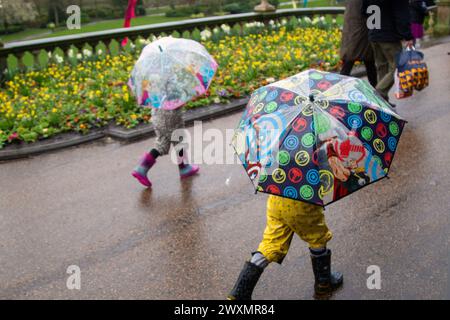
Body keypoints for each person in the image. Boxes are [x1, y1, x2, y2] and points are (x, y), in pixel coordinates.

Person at [228, 196, 343, 300]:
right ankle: (323, 284)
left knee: (270, 244)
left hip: (276, 201)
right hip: (301, 202)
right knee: (317, 237)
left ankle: (240, 292)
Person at [362, 0, 414, 107]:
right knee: (399, 67)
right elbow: (401, 16)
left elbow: (363, 12)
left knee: (382, 67)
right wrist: (407, 36)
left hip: (374, 35)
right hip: (389, 36)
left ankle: (383, 102)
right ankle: (378, 94)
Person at [131, 107, 199, 187]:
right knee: (179, 140)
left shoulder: (157, 94)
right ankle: (184, 168)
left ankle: (142, 168)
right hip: (171, 116)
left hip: (157, 115)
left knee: (162, 144)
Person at [340, 0, 378, 87]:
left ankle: (379, 93)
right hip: (362, 29)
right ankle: (378, 93)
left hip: (355, 29)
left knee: (367, 62)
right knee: (367, 62)